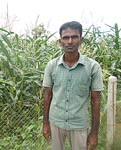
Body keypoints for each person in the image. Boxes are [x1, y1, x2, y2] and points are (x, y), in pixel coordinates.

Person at [42, 21, 104, 150]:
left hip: (79, 124)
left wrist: (94, 133)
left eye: (74, 37)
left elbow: (96, 100)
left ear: (81, 40)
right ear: (60, 41)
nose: (70, 41)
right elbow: (48, 95)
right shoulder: (52, 66)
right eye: (65, 37)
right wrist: (45, 123)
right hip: (56, 122)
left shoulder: (92, 67)